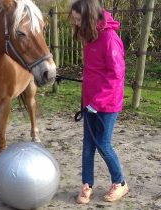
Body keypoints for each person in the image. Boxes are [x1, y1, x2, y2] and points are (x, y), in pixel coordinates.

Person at [70, 0, 129, 204]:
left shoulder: (110, 39)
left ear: (89, 18)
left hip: (107, 104)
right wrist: (88, 100)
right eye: (75, 20)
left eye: (79, 20)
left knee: (103, 144)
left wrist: (98, 101)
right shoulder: (91, 36)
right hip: (90, 102)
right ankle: (87, 184)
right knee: (88, 146)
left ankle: (120, 183)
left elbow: (116, 76)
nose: (76, 24)